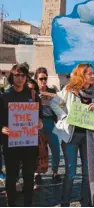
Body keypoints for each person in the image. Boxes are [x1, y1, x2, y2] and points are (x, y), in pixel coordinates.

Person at [50, 63, 94, 206]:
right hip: (70, 136)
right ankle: (65, 202)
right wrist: (63, 116)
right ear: (82, 75)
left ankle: (85, 202)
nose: (93, 75)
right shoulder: (69, 90)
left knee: (87, 172)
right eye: (90, 73)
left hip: (88, 136)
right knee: (71, 172)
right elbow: (54, 102)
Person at [0, 64, 43, 206]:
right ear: (12, 76)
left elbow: (39, 114)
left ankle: (28, 204)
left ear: (26, 77)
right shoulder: (5, 96)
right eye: (17, 75)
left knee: (28, 176)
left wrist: (40, 123)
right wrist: (2, 128)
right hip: (10, 143)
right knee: (11, 177)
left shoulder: (32, 94)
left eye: (22, 75)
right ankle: (11, 204)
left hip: (29, 143)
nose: (20, 78)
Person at [34, 67, 61, 188]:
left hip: (50, 123)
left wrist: (45, 93)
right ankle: (37, 173)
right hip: (37, 124)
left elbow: (60, 98)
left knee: (55, 149)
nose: (44, 81)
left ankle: (54, 172)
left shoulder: (51, 90)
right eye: (41, 79)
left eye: (45, 78)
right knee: (38, 150)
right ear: (36, 79)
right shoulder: (32, 91)